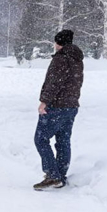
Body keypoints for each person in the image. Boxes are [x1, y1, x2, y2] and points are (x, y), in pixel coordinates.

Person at [33, 29, 84, 190]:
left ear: (59, 43)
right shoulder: (77, 59)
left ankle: (52, 176)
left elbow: (54, 83)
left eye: (55, 42)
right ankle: (60, 175)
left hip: (57, 106)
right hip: (71, 106)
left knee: (41, 139)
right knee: (63, 141)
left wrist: (44, 102)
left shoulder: (61, 59)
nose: (54, 45)